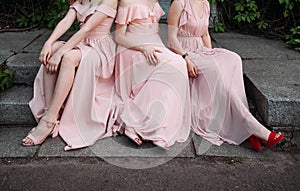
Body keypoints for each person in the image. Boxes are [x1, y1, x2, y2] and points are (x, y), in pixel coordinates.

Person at [168, 0, 284, 151]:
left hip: (201, 50)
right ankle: (252, 127)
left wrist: (210, 54)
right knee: (214, 70)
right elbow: (172, 38)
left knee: (233, 59)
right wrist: (185, 58)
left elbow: (205, 34)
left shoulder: (204, 3)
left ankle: (246, 125)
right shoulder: (179, 3)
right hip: (182, 52)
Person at [22, 0, 118, 150]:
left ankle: (49, 121)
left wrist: (61, 53)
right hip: (82, 44)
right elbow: (66, 21)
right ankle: (48, 112)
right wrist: (48, 43)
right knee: (53, 48)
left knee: (68, 58)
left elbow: (86, 29)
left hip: (100, 49)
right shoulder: (82, 0)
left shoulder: (109, 1)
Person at [113, 0, 191, 149]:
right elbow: (119, 37)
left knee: (179, 64)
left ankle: (157, 126)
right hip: (133, 48)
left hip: (154, 44)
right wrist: (142, 48)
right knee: (174, 65)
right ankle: (134, 121)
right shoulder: (126, 1)